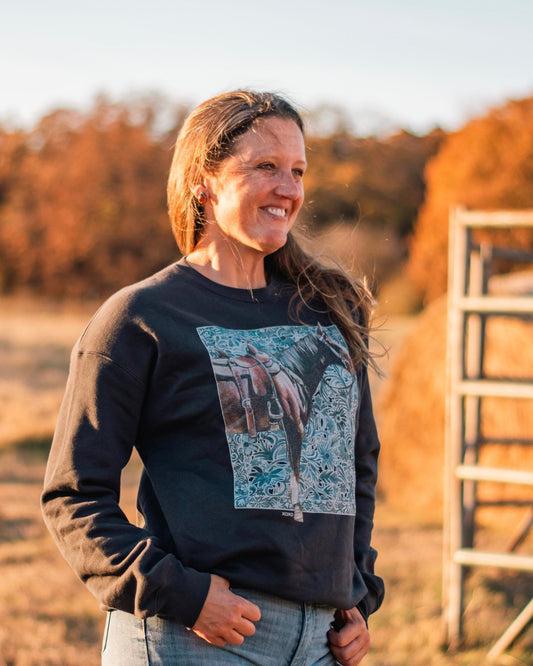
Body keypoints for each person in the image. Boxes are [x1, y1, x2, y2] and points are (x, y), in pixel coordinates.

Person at [41, 90, 384, 666]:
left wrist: (357, 588)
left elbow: (357, 462)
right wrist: (185, 596)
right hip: (195, 638)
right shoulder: (142, 317)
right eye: (266, 167)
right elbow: (73, 496)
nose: (290, 189)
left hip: (323, 643)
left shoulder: (326, 309)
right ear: (205, 180)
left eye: (298, 171)